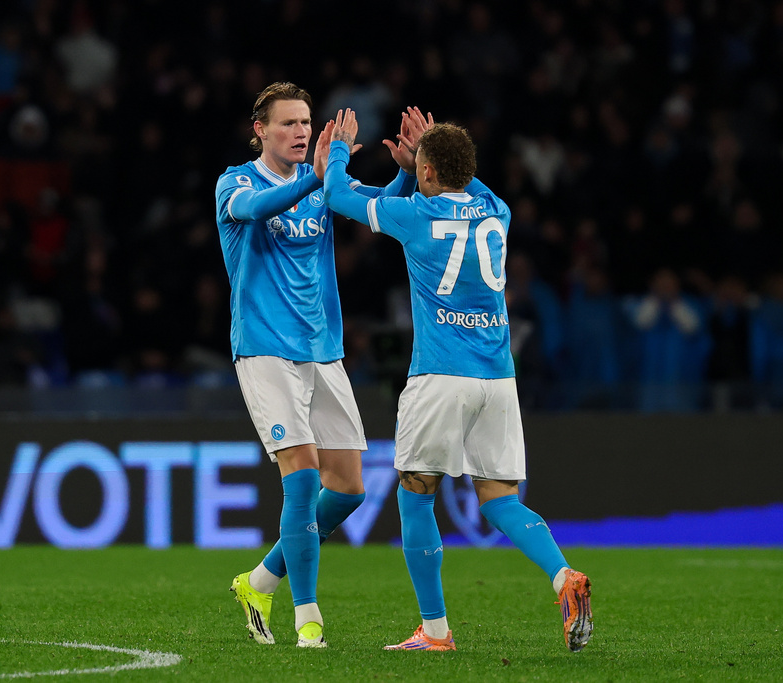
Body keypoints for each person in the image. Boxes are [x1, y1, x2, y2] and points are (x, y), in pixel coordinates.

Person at [323, 108, 593, 653]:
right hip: (498, 377)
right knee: (499, 499)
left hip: (440, 376)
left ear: (426, 172)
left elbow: (335, 194)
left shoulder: (413, 215)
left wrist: (338, 150)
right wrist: (426, 156)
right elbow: (463, 179)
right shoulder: (498, 210)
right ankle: (563, 576)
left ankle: (436, 631)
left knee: (416, 496)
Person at [215, 83, 425, 648]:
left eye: (306, 122)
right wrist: (321, 173)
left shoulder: (320, 183)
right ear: (260, 130)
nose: (301, 131)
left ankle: (259, 582)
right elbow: (257, 210)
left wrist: (406, 173)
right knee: (304, 476)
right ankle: (308, 620)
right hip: (264, 348)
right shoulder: (236, 182)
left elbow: (377, 205)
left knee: (349, 488)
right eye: (287, 123)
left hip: (322, 349)